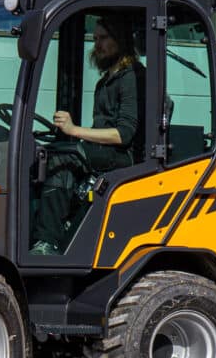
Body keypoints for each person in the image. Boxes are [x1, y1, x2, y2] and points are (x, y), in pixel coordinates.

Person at [31, 15, 145, 255]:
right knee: (43, 153)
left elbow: (123, 135)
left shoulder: (132, 78)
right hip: (107, 153)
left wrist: (74, 130)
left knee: (63, 159)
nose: (97, 45)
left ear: (120, 40)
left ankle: (47, 242)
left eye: (103, 38)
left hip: (127, 156)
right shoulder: (106, 82)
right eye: (95, 39)